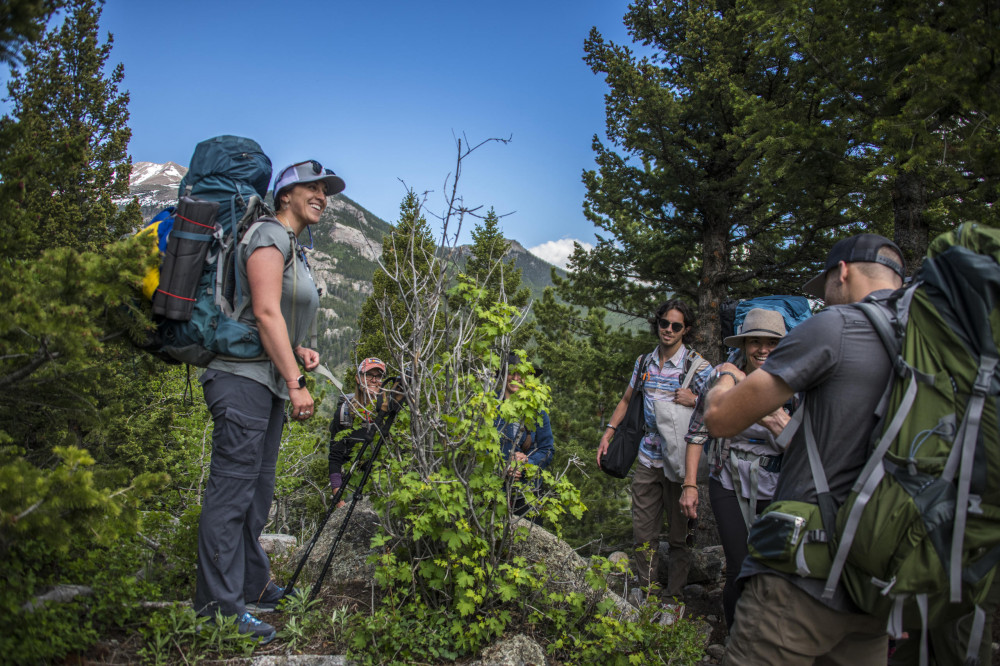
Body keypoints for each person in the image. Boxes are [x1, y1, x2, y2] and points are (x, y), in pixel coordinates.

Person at [703, 233, 905, 665]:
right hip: (877, 573)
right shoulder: (921, 344)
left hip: (804, 572)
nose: (827, 300)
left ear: (843, 271)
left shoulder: (837, 326)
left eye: (826, 289)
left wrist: (724, 377)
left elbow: (720, 419)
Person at [194, 159, 345, 643]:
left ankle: (252, 585)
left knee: (256, 494)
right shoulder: (267, 235)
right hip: (242, 381)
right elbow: (262, 310)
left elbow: (276, 315)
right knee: (232, 493)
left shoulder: (295, 247)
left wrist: (298, 351)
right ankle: (217, 610)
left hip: (269, 383)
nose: (322, 195)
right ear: (285, 194)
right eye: (312, 188)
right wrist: (296, 381)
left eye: (326, 191)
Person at [680, 308, 792, 630]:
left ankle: (769, 633)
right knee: (739, 565)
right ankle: (737, 634)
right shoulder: (721, 380)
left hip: (779, 484)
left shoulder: (796, 381)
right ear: (743, 345)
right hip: (728, 480)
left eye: (771, 342)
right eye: (755, 341)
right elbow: (698, 431)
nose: (763, 349)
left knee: (773, 566)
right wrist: (689, 484)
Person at [597, 299, 712, 599]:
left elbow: (721, 408)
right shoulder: (644, 362)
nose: (669, 330)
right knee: (643, 534)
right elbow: (626, 400)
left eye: (676, 326)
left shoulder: (697, 367)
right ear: (657, 323)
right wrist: (609, 432)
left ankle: (674, 599)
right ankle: (647, 597)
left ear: (685, 330)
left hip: (680, 461)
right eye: (664, 323)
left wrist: (696, 401)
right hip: (648, 458)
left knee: (678, 536)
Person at [495, 354, 554, 516]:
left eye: (521, 373)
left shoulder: (538, 410)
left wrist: (527, 462)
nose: (516, 378)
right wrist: (504, 465)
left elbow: (547, 450)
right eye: (511, 373)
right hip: (493, 489)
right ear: (503, 375)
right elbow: (478, 447)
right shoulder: (489, 405)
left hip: (528, 490)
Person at [328, 357, 386, 501]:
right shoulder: (345, 412)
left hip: (385, 484)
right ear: (358, 378)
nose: (374, 379)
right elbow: (335, 456)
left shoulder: (391, 413)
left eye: (379, 376)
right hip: (353, 482)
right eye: (368, 375)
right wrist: (338, 497)